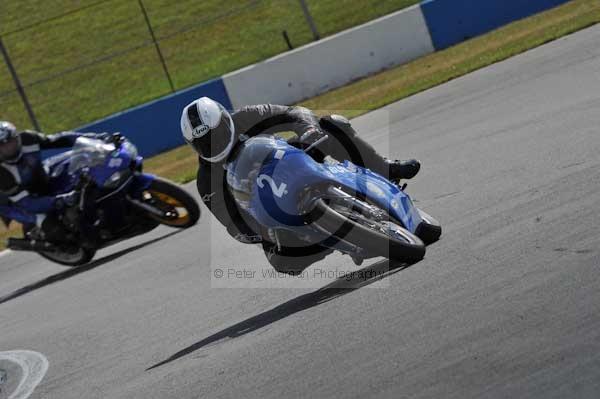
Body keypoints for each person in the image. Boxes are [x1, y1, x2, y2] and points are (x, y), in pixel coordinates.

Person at [180, 98, 421, 273]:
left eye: (216, 134)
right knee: (282, 262)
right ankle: (334, 239)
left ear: (225, 119)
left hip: (291, 163)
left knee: (330, 124)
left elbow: (294, 113)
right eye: (203, 143)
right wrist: (256, 232)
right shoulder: (206, 180)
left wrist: (308, 129)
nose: (213, 144)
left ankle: (385, 168)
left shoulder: (247, 116)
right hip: (270, 210)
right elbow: (231, 220)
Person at [0, 121, 115, 247]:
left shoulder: (28, 138)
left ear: (17, 138)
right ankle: (78, 241)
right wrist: (59, 201)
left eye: (10, 142)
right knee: (51, 225)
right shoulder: (2, 173)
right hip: (17, 202)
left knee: (81, 170)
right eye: (3, 146)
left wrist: (96, 137)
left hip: (41, 177)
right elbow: (27, 203)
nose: (9, 147)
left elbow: (60, 139)